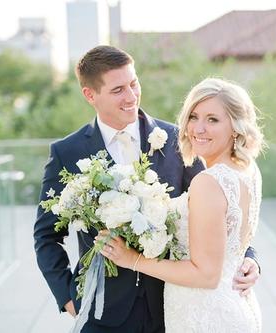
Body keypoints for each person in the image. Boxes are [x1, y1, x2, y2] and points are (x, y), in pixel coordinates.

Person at [33, 46, 261, 332]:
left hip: (170, 305)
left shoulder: (180, 139)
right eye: (118, 90)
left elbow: (222, 212)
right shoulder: (67, 152)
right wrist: (67, 296)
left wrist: (249, 258)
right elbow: (46, 235)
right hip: (101, 310)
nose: (131, 97)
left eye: (133, 83)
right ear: (90, 95)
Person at [103, 77, 264, 332]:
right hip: (234, 304)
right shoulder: (248, 170)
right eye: (193, 117)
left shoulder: (208, 182)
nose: (198, 129)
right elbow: (232, 240)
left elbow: (206, 275)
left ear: (235, 126)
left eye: (213, 119)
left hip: (206, 315)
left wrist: (133, 260)